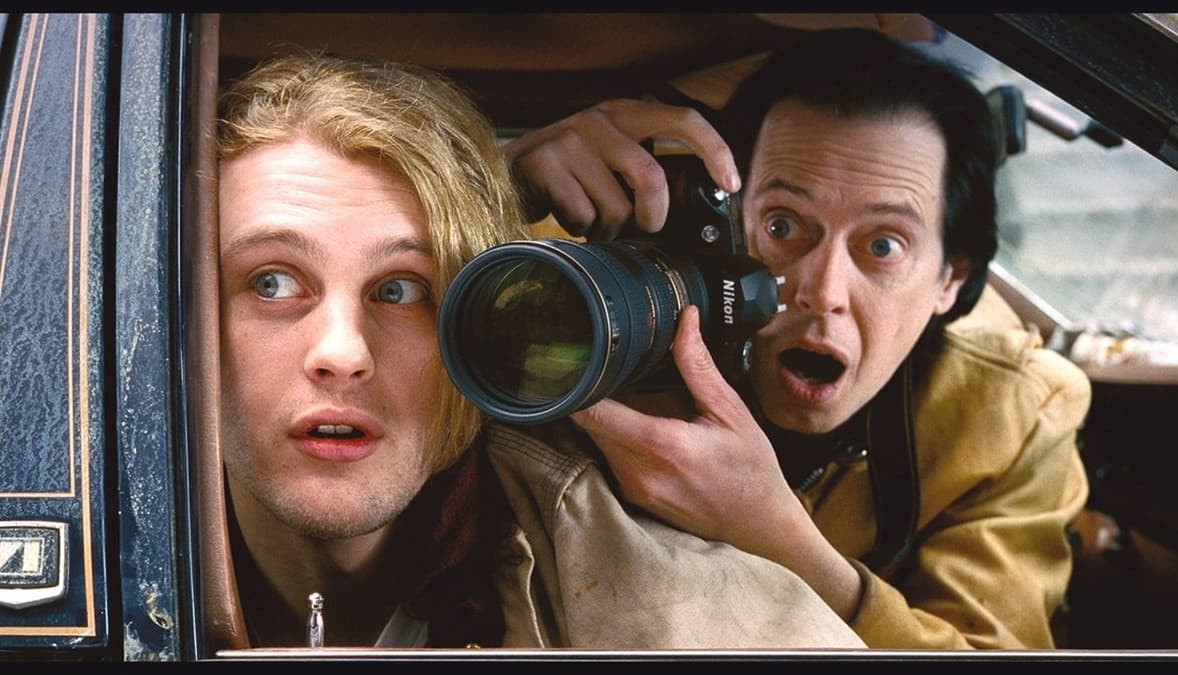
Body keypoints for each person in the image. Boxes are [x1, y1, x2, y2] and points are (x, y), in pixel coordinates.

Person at [216, 51, 864, 649]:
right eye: (272, 283)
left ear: (475, 322)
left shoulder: (670, 610)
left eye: (402, 290)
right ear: (184, 315)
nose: (342, 351)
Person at [503, 27, 1091, 649]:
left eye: (883, 246)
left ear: (951, 279)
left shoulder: (1015, 414)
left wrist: (778, 538)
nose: (822, 290)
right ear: (733, 220)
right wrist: (503, 187)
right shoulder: (607, 300)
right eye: (782, 226)